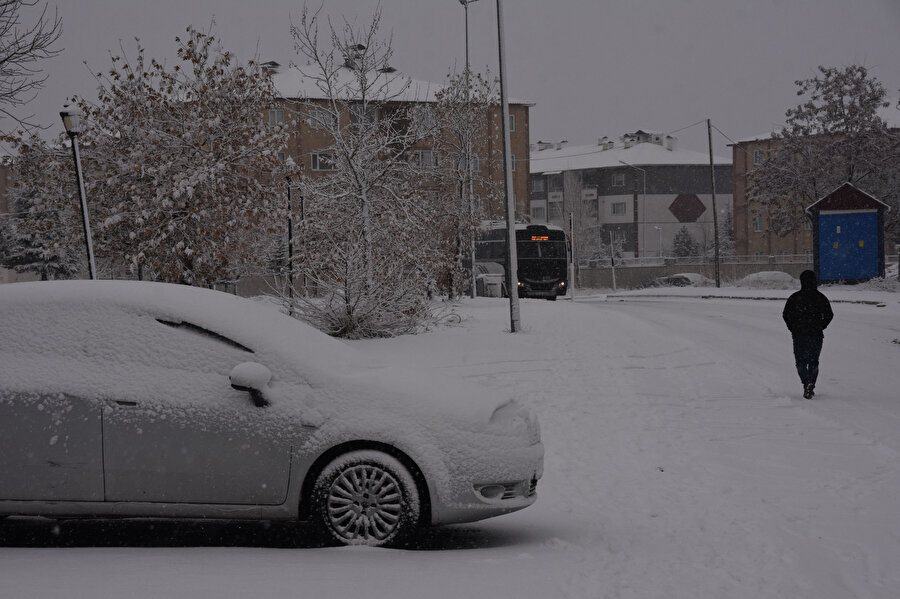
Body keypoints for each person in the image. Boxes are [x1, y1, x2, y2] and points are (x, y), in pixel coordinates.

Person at [782, 270, 833, 399]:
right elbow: (829, 314)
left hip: (799, 335)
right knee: (813, 362)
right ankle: (811, 384)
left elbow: (786, 315)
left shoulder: (795, 297)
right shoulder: (820, 297)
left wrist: (793, 328)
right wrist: (821, 325)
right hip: (816, 334)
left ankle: (806, 382)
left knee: (800, 362)